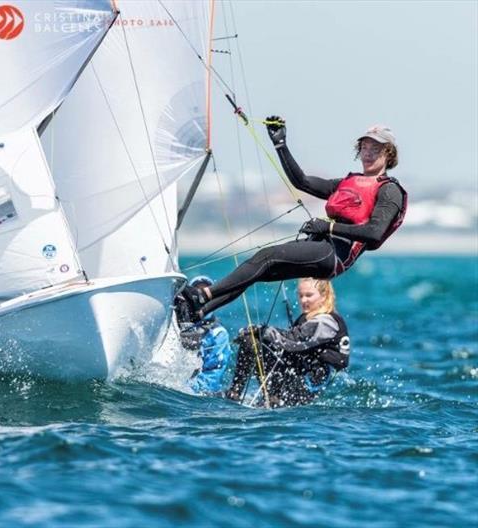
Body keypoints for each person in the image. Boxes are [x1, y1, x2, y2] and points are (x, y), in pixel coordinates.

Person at [184, 119, 408, 317]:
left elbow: (374, 232)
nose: (367, 153)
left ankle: (202, 294)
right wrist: (280, 144)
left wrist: (328, 228)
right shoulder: (347, 182)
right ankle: (198, 312)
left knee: (266, 256)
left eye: (375, 149)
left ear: (388, 153)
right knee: (258, 271)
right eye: (364, 147)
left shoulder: (389, 190)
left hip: (337, 254)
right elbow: (302, 182)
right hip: (321, 245)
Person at [226, 278, 350, 407]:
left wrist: (261, 330)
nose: (303, 300)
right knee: (251, 341)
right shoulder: (309, 317)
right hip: (299, 377)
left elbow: (292, 340)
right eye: (300, 295)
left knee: (253, 340)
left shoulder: (325, 322)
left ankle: (271, 398)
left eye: (309, 295)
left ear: (324, 296)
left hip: (310, 383)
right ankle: (237, 393)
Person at [175, 276, 234, 395]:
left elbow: (213, 374)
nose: (201, 300)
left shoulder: (219, 334)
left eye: (205, 296)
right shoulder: (177, 323)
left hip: (201, 396)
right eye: (197, 295)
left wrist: (186, 388)